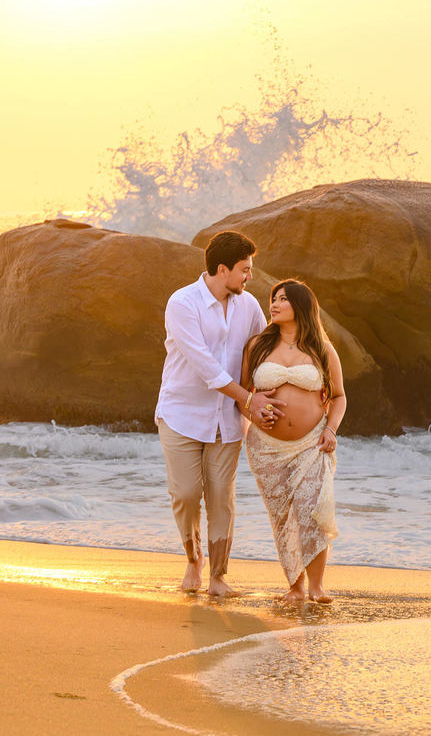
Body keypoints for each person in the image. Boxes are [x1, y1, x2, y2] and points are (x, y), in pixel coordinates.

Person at [156, 231, 285, 596]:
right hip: (181, 413)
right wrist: (250, 400)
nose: (250, 277)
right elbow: (207, 369)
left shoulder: (248, 307)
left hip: (228, 419)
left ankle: (218, 578)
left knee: (220, 498)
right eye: (245, 269)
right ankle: (193, 559)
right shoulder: (182, 304)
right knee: (184, 493)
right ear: (222, 268)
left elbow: (266, 348)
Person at [241, 279, 346, 603]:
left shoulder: (321, 349)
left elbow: (339, 397)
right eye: (273, 298)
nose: (273, 304)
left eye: (283, 299)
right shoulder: (256, 345)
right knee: (283, 516)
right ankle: (295, 587)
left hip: (312, 444)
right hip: (266, 448)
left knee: (311, 509)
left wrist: (331, 430)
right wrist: (254, 413)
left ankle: (316, 586)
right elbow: (242, 394)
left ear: (300, 306)